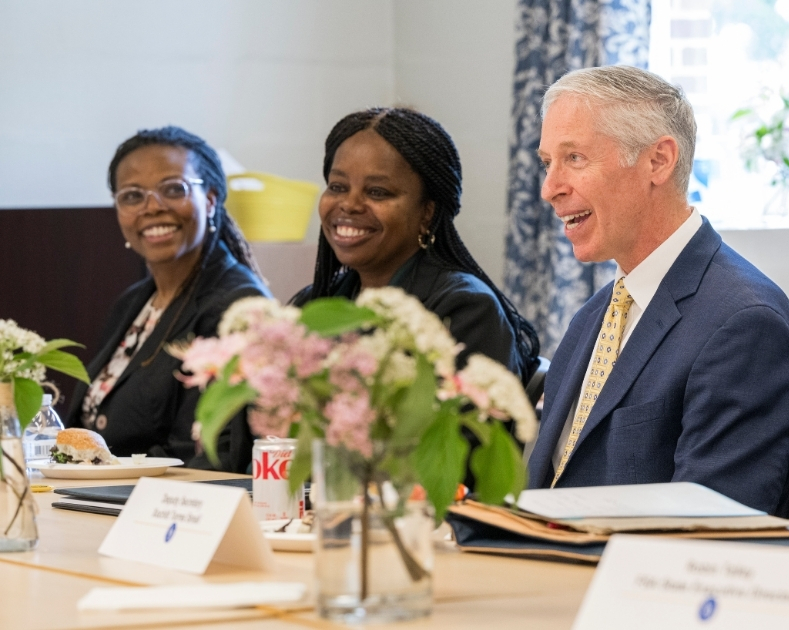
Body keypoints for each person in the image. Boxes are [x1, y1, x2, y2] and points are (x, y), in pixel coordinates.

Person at [524, 65, 789, 513]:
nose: (550, 188)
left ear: (658, 161)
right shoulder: (592, 318)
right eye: (548, 163)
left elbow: (704, 532)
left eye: (574, 158)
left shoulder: (745, 323)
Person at [65, 126, 269, 472]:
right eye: (132, 196)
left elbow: (212, 457)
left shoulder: (236, 309)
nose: (152, 207)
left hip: (169, 510)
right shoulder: (131, 304)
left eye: (174, 189)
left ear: (211, 200)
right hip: (98, 501)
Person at [292, 108, 540, 383]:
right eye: (337, 186)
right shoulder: (313, 303)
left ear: (427, 213)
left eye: (377, 192)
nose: (349, 204)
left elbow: (467, 424)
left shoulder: (464, 310)